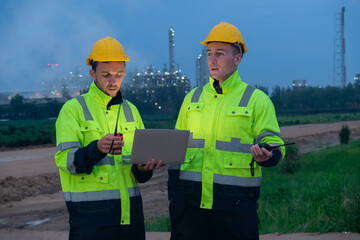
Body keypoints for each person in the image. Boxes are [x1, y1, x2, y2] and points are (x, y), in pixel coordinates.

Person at [168, 22, 286, 240]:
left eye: (220, 54)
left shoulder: (256, 100)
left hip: (236, 208)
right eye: (209, 53)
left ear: (238, 58)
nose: (212, 60)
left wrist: (269, 153)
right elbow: (176, 151)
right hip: (191, 208)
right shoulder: (192, 98)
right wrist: (175, 197)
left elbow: (271, 140)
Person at [55, 36, 163, 240]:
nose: (113, 81)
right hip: (90, 221)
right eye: (106, 75)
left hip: (130, 219)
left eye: (119, 74)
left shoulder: (131, 111)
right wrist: (96, 148)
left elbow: (136, 172)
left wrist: (143, 168)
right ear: (92, 74)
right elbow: (66, 162)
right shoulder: (73, 110)